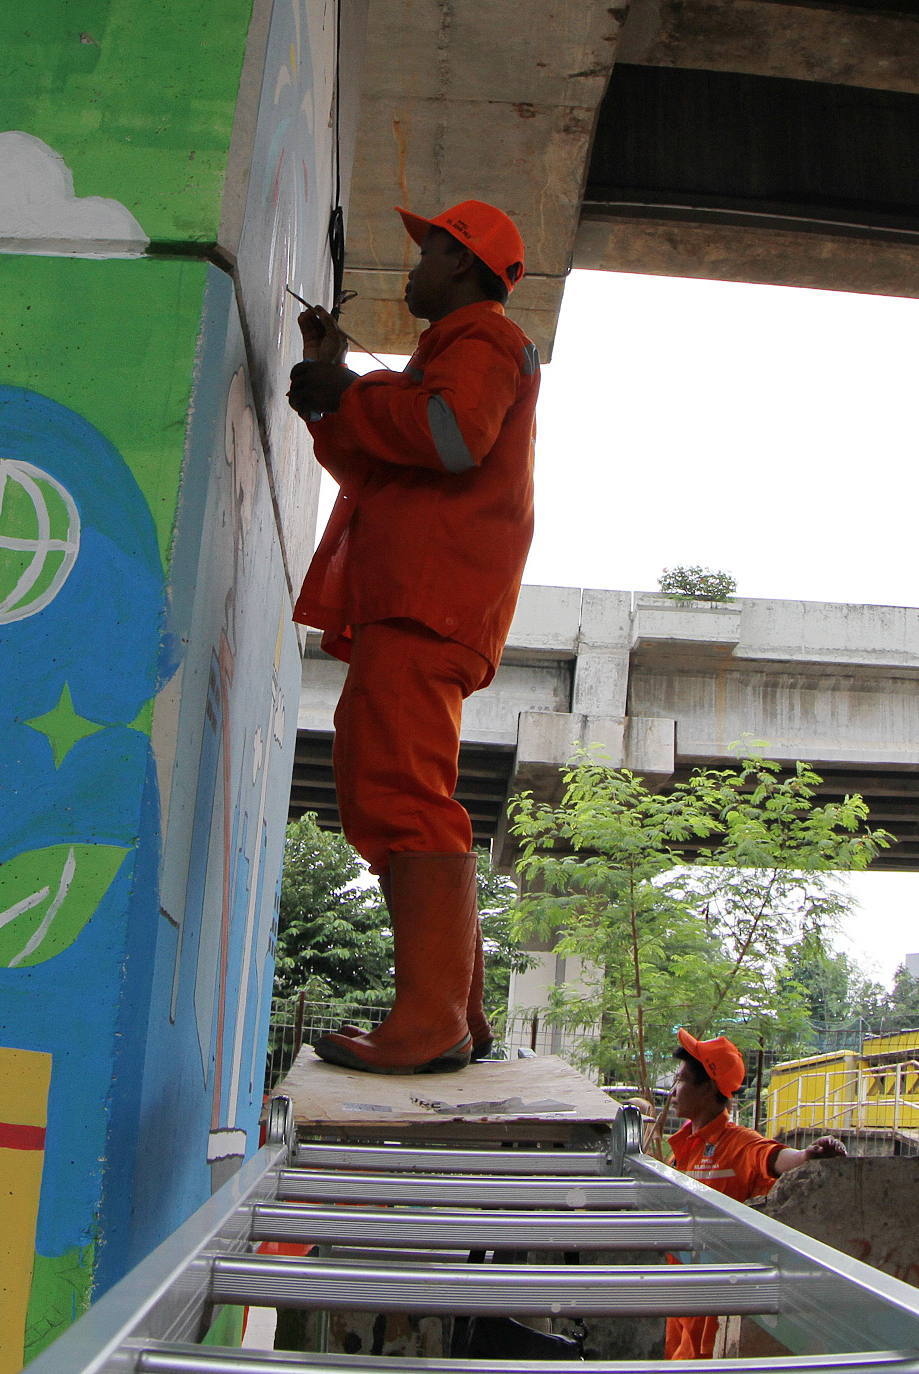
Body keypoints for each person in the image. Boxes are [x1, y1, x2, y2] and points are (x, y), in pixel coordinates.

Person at [286, 201, 540, 1075]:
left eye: (425, 251)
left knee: (399, 797)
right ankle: (455, 1017)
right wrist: (332, 398)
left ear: (463, 263)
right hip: (418, 602)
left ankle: (432, 1022)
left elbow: (449, 436)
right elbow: (381, 463)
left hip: (424, 601)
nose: (411, 268)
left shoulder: (484, 339)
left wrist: (350, 392)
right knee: (393, 792)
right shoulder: (450, 354)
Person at [664, 1029, 846, 1360]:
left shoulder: (738, 1143)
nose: (673, 1090)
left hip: (715, 1305)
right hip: (680, 1297)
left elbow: (772, 1157)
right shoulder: (681, 1149)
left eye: (681, 1080)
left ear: (709, 1088)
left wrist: (806, 1156)